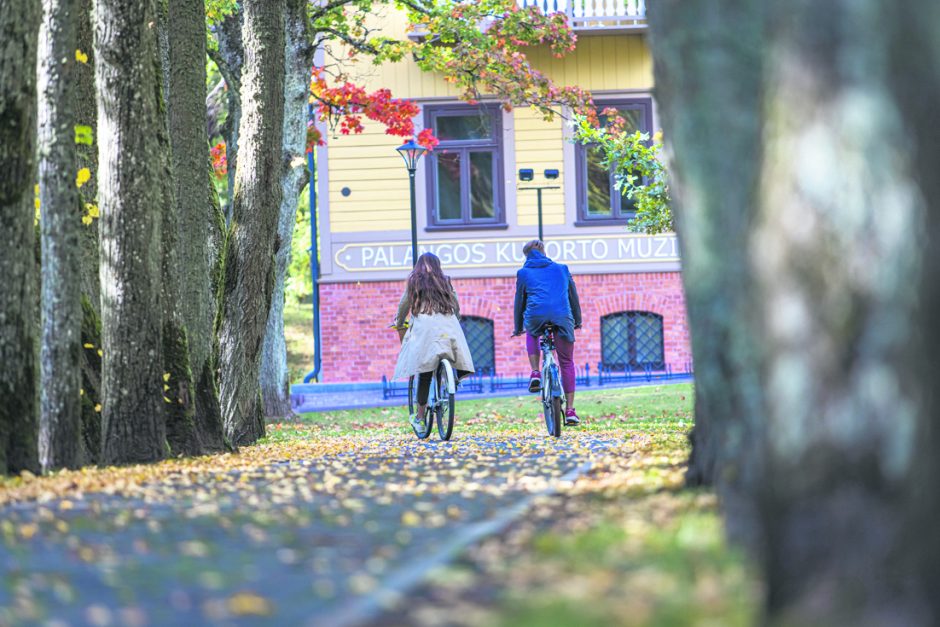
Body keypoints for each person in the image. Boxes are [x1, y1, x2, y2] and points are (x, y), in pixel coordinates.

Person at [393, 252, 474, 430]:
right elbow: (455, 302)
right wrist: (457, 317)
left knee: (424, 371)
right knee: (455, 350)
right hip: (448, 325)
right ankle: (455, 374)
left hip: (424, 328)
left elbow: (403, 305)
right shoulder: (445, 280)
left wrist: (398, 322)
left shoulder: (414, 281)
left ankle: (420, 418)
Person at [512, 239, 582, 425]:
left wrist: (518, 326)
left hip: (536, 317)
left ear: (526, 255)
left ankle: (535, 372)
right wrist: (577, 321)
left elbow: (520, 302)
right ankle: (570, 411)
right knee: (566, 362)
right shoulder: (562, 269)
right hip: (562, 317)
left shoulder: (523, 273)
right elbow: (573, 296)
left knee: (531, 330)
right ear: (543, 252)